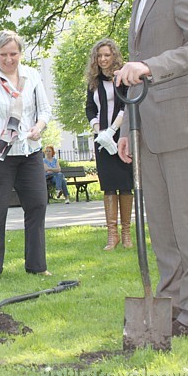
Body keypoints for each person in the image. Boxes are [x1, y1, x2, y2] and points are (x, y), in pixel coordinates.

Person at [115, 0, 188, 337]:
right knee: (161, 226)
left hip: (182, 122)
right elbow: (134, 69)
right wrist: (128, 128)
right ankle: (170, 307)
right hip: (147, 126)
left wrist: (151, 66)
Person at [0, 29, 53, 285]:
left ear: (20, 53)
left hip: (29, 153)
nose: (8, 59)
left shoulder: (32, 76)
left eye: (13, 53)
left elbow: (45, 110)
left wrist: (39, 127)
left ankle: (37, 266)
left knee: (37, 205)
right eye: (3, 54)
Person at [85, 39, 133, 251]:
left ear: (114, 56)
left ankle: (127, 234)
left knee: (125, 184)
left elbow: (126, 105)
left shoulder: (122, 78)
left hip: (121, 136)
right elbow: (89, 109)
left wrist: (113, 131)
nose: (103, 59)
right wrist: (100, 131)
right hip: (102, 140)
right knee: (108, 186)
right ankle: (111, 235)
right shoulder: (93, 82)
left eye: (107, 55)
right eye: (99, 56)